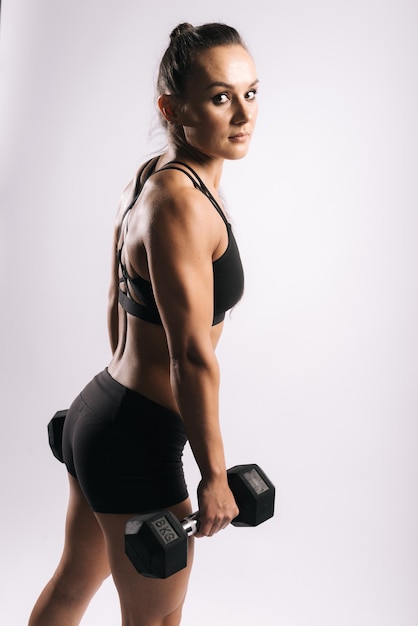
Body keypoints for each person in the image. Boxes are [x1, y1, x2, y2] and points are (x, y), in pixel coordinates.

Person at [29, 21, 259, 626]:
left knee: (73, 587)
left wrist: (126, 405)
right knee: (156, 618)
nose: (242, 113)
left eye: (250, 93)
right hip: (133, 439)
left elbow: (117, 300)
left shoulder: (155, 175)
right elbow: (190, 354)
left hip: (102, 413)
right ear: (173, 108)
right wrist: (213, 474)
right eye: (219, 97)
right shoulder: (180, 203)